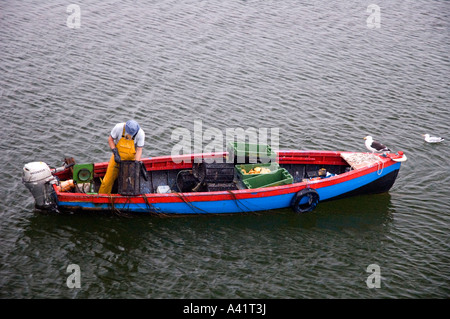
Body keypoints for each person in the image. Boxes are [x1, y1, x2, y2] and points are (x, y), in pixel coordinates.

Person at [98, 120, 145, 194]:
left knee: (128, 182)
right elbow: (110, 139)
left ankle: (125, 199)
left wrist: (136, 162)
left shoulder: (141, 133)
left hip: (130, 161)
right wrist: (115, 153)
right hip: (117, 157)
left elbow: (139, 149)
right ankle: (101, 198)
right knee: (107, 181)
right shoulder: (118, 127)